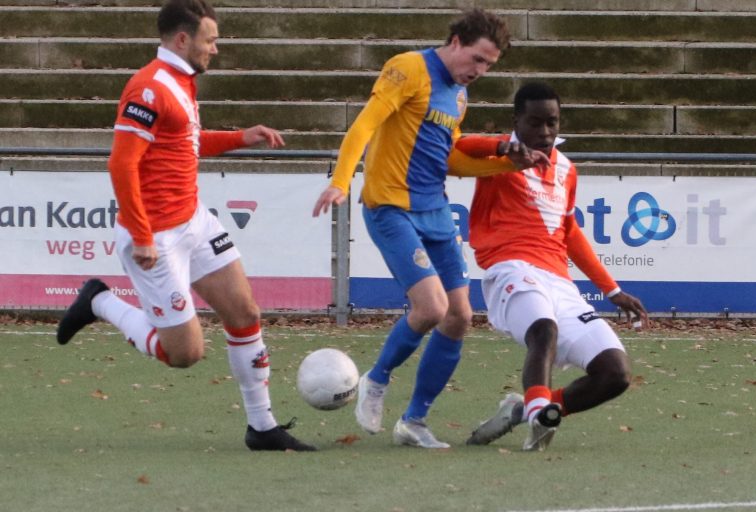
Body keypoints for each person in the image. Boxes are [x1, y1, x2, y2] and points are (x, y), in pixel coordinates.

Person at [56, 0, 315, 452]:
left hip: (195, 220)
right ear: (182, 39)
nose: (215, 48)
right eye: (210, 40)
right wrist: (141, 236)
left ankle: (262, 427)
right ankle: (99, 301)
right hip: (155, 237)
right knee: (184, 354)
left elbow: (185, 144)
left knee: (245, 314)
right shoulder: (149, 87)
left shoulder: (182, 81)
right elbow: (121, 164)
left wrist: (241, 137)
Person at [312, 9, 549, 449]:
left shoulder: (458, 95)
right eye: (477, 59)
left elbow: (450, 160)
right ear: (456, 42)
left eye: (489, 65)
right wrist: (341, 181)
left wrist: (507, 163)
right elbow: (365, 125)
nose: (480, 71)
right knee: (431, 308)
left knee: (459, 317)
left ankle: (414, 421)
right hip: (391, 207)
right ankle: (376, 379)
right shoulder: (407, 68)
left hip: (435, 211)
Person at [458, 82, 649, 451]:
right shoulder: (500, 157)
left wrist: (612, 290)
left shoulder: (566, 169)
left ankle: (531, 410)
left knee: (615, 372)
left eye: (552, 122)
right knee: (544, 329)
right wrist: (503, 148)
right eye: (534, 123)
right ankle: (538, 417)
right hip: (510, 268)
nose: (544, 132)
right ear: (516, 122)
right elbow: (459, 148)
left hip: (558, 281)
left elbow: (569, 231)